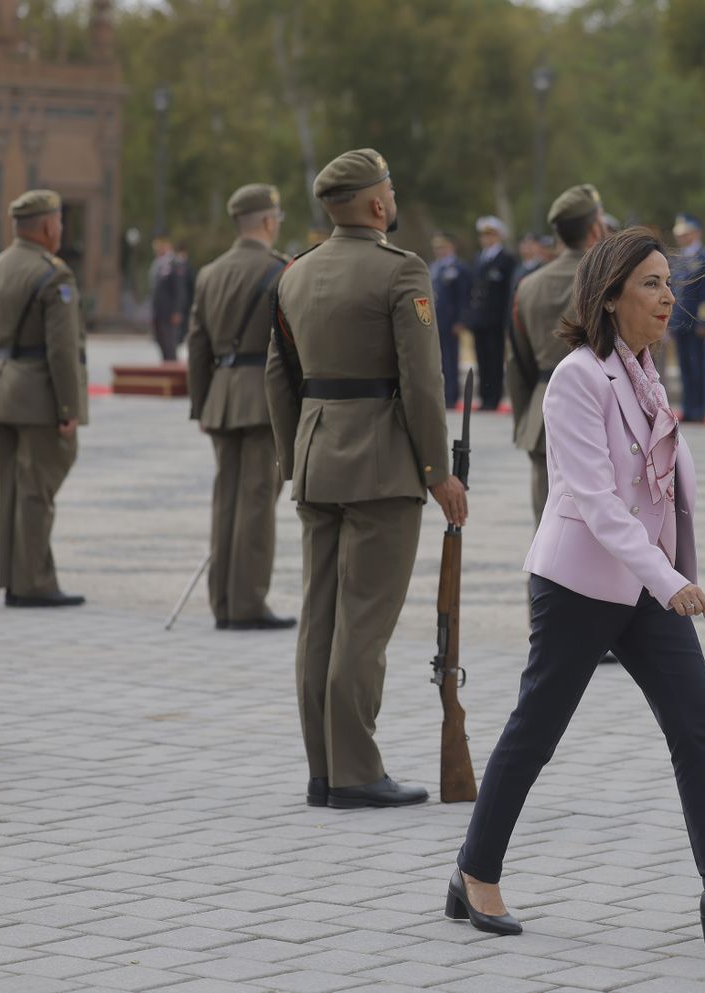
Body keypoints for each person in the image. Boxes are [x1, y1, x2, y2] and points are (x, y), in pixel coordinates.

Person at [449, 227, 705, 945]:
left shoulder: (645, 371)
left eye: (670, 283)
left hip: (646, 582)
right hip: (582, 581)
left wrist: (672, 557)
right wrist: (669, 577)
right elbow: (596, 499)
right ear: (609, 297)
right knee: (535, 732)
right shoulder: (577, 378)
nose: (668, 296)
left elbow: (664, 477)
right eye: (651, 283)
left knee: (697, 727)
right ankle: (474, 875)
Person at [266, 148, 468, 809]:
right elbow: (421, 381)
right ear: (377, 205)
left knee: (319, 617)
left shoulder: (295, 273)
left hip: (319, 455)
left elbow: (277, 377)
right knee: (363, 622)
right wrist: (438, 471)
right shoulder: (399, 269)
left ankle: (324, 768)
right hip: (382, 463)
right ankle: (356, 772)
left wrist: (293, 457)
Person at [185, 183, 293, 631]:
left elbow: (196, 344)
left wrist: (202, 403)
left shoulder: (210, 272)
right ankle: (247, 602)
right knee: (256, 503)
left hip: (222, 396)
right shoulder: (280, 270)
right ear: (267, 221)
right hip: (262, 397)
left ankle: (223, 599)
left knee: (226, 500)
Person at [0, 190, 87, 609]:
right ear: (47, 227)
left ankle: (14, 577)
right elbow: (62, 350)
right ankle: (34, 581)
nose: (60, 229)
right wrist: (68, 407)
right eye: (58, 222)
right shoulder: (54, 274)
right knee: (36, 489)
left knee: (6, 490)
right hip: (38, 394)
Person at [510, 185, 607, 523]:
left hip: (542, 411)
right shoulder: (608, 280)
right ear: (596, 228)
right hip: (599, 411)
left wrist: (526, 420)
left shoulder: (528, 285)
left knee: (547, 523)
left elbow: (518, 364)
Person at [459, 216, 516, 411]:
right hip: (479, 319)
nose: (486, 239)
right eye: (483, 235)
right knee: (482, 359)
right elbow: (472, 290)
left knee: (494, 358)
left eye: (490, 234)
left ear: (498, 236)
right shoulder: (478, 258)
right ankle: (484, 397)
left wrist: (507, 320)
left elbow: (509, 292)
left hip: (495, 319)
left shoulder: (506, 260)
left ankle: (494, 397)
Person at [669, 213, 705, 423]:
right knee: (685, 367)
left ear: (696, 233)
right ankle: (688, 407)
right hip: (680, 321)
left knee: (698, 367)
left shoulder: (704, 258)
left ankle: (699, 409)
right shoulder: (679, 258)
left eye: (686, 234)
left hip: (696, 321)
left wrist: (704, 321)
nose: (682, 238)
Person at [430, 232, 472, 408]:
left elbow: (464, 296)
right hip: (435, 320)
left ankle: (452, 396)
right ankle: (440, 394)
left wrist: (461, 320)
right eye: (437, 248)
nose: (439, 251)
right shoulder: (433, 267)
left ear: (451, 247)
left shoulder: (459, 268)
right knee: (437, 360)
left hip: (451, 320)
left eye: (443, 247)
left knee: (450, 359)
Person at [150, 237, 191, 361]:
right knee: (162, 344)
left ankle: (171, 371)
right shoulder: (157, 264)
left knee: (170, 346)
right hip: (159, 312)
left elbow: (180, 291)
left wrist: (177, 311)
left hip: (169, 313)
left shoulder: (174, 264)